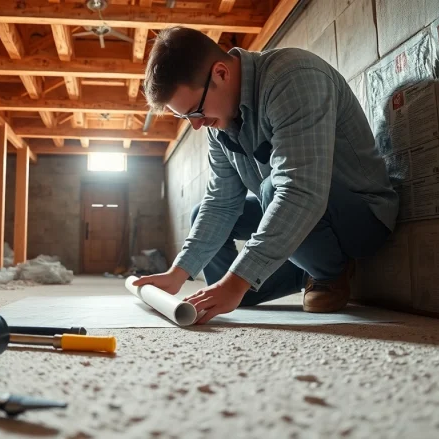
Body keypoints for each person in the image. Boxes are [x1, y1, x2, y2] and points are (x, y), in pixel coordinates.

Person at [132, 27, 399, 324]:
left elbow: (300, 191)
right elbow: (221, 203)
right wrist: (178, 272)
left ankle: (329, 273)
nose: (196, 125)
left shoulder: (293, 78)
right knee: (212, 245)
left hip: (361, 221)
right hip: (298, 214)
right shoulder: (217, 124)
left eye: (195, 111)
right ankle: (302, 269)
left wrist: (238, 279)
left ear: (221, 73)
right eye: (186, 118)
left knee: (274, 191)